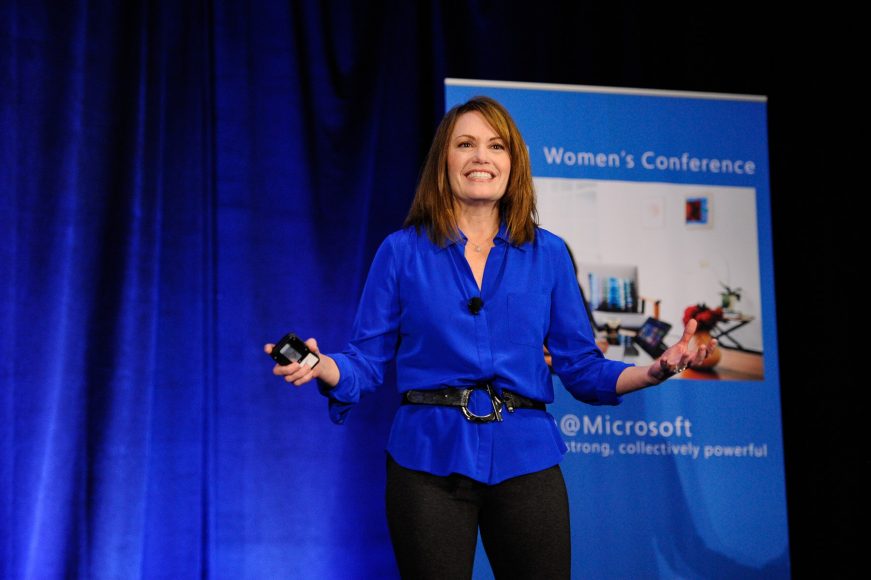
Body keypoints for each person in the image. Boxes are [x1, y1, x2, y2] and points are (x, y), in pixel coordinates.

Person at [264, 96, 715, 579]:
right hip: (427, 459)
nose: (481, 156)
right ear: (444, 161)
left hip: (527, 456)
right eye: (466, 144)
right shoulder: (400, 252)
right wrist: (324, 366)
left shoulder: (549, 254)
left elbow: (582, 366)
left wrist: (653, 370)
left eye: (496, 146)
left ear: (513, 163)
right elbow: (366, 361)